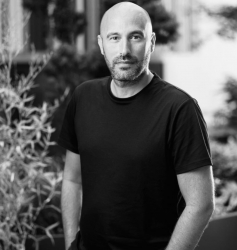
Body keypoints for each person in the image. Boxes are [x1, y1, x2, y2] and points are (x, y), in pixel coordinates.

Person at [58, 2, 215, 250]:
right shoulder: (83, 97)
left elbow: (201, 204)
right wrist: (70, 244)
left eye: (135, 36)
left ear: (151, 42)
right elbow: (72, 179)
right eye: (114, 37)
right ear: (101, 44)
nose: (124, 49)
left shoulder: (179, 108)